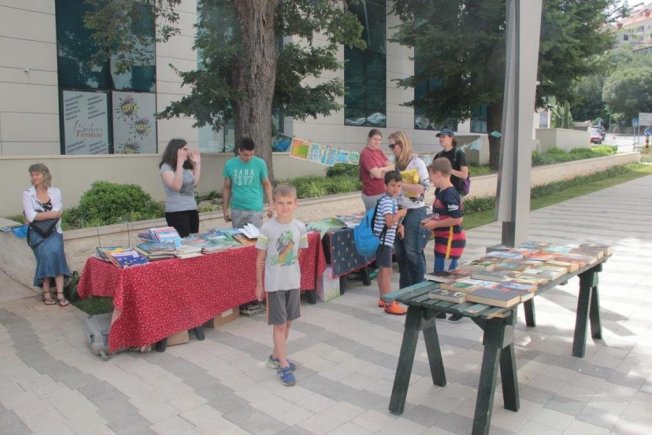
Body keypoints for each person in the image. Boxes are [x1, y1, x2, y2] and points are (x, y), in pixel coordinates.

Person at [255, 183, 308, 386]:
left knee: (288, 321)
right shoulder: (267, 228)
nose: (284, 207)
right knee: (279, 324)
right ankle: (283, 365)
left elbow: (299, 253)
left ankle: (276, 357)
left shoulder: (300, 227)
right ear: (273, 204)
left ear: (296, 203)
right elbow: (260, 259)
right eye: (280, 203)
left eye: (288, 203)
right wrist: (259, 284)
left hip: (292, 282)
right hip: (274, 284)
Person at [421, 158, 466, 321]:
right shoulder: (440, 192)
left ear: (438, 174)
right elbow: (441, 214)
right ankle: (440, 307)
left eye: (431, 176)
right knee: (439, 273)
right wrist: (431, 220)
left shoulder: (450, 193)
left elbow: (457, 219)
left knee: (448, 275)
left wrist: (435, 224)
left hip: (451, 241)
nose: (430, 180)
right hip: (442, 240)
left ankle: (457, 308)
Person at [22, 163, 71, 307]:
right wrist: (51, 214)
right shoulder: (27, 193)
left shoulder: (55, 192)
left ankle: (60, 293)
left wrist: (39, 215)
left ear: (45, 175)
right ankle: (47, 292)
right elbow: (30, 216)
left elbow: (58, 210)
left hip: (54, 231)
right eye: (32, 175)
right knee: (45, 253)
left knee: (56, 252)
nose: (34, 177)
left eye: (37, 174)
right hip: (36, 233)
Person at [388, 130, 430, 289]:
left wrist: (400, 184)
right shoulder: (397, 164)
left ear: (402, 144)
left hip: (415, 211)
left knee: (413, 253)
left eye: (393, 146)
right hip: (399, 211)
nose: (392, 149)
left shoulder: (417, 162)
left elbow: (424, 188)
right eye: (390, 146)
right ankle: (405, 291)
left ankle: (418, 290)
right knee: (401, 255)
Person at [374, 171, 408, 315]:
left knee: (383, 270)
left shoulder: (387, 200)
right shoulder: (388, 201)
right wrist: (400, 214)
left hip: (382, 240)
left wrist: (399, 225)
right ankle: (389, 303)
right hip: (384, 242)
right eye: (393, 185)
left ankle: (383, 298)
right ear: (385, 186)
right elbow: (389, 222)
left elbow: (389, 222)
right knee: (387, 271)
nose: (396, 188)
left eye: (399, 186)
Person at [223, 137, 273, 229]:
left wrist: (271, 204)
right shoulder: (229, 165)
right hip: (237, 209)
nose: (249, 158)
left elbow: (266, 184)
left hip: (255, 210)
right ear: (239, 151)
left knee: (256, 237)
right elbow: (226, 187)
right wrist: (225, 208)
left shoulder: (260, 163)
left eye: (251, 154)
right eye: (246, 155)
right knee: (238, 237)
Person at [159, 138, 201, 237]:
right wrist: (179, 164)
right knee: (184, 241)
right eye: (185, 149)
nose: (188, 152)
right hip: (177, 211)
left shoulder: (186, 166)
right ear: (176, 151)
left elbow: (194, 184)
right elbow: (176, 187)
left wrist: (197, 164)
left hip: (192, 209)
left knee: (194, 240)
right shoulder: (166, 167)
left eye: (188, 149)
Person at [359, 129, 395, 211]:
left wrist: (382, 169)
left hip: (384, 190)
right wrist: (381, 172)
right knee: (375, 217)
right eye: (375, 139)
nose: (377, 142)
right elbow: (378, 175)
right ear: (369, 138)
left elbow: (392, 167)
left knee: (385, 216)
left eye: (379, 140)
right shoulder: (366, 153)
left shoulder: (379, 151)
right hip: (372, 193)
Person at [433, 128, 469, 197]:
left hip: (456, 192)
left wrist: (449, 170)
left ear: (451, 138)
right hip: (440, 192)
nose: (440, 139)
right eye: (440, 137)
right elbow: (433, 173)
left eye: (443, 137)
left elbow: (464, 175)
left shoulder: (459, 153)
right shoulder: (439, 155)